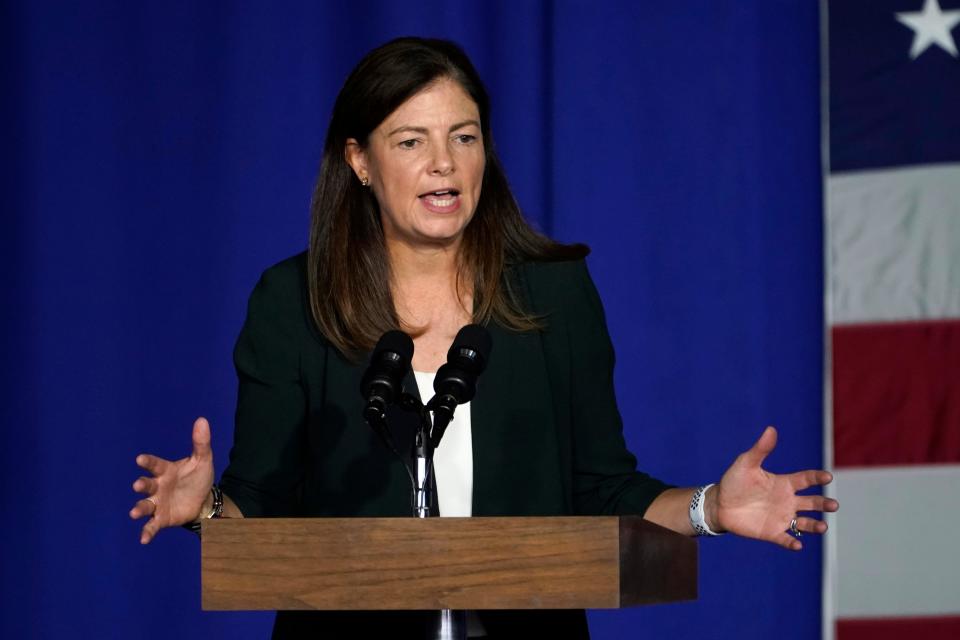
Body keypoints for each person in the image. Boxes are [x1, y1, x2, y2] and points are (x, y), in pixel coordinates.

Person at [129, 37, 838, 638]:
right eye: (412, 141)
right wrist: (207, 509)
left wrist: (711, 507)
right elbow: (264, 509)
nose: (444, 163)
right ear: (360, 161)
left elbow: (603, 487)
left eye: (463, 137)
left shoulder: (554, 293)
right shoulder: (294, 301)